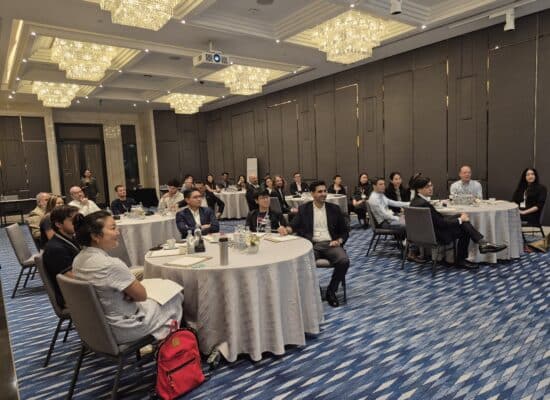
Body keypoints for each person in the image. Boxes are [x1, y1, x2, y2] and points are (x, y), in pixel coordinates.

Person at [72, 211, 183, 343]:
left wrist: (126, 291)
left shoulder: (78, 260)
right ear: (95, 236)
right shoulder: (111, 265)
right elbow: (141, 296)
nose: (118, 232)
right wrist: (130, 291)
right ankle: (170, 344)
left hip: (97, 326)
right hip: (124, 327)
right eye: (113, 228)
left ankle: (162, 338)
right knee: (175, 296)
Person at [411, 177, 507, 268]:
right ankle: (466, 256)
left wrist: (459, 218)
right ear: (419, 189)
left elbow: (437, 220)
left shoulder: (415, 202)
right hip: (436, 236)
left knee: (460, 216)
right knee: (464, 228)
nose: (431, 188)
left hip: (421, 235)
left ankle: (482, 243)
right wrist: (460, 220)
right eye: (427, 186)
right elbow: (441, 223)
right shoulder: (424, 204)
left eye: (431, 185)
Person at [286, 181, 350, 307]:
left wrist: (339, 241)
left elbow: (345, 231)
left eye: (325, 191)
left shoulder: (334, 209)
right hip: (311, 245)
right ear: (312, 194)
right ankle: (316, 288)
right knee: (303, 262)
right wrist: (286, 230)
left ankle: (331, 291)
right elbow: (293, 226)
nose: (324, 194)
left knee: (344, 261)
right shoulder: (304, 209)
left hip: (330, 244)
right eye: (320, 191)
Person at [42, 205, 80, 308]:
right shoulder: (55, 249)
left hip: (78, 290)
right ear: (59, 224)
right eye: (72, 220)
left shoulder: (71, 239)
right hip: (71, 297)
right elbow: (71, 277)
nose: (77, 223)